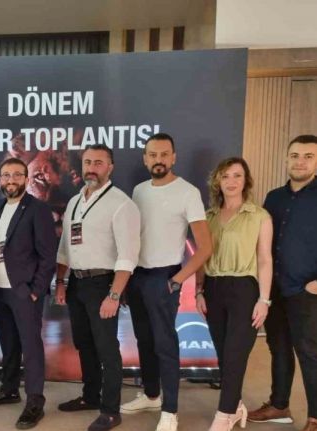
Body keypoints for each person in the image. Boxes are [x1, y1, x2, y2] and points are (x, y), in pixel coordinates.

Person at [118, 133, 213, 431]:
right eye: (152, 155)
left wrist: (177, 280)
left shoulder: (188, 192)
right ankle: (151, 395)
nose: (158, 160)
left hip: (165, 277)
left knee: (165, 345)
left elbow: (205, 247)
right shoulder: (138, 190)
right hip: (137, 276)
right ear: (145, 159)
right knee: (144, 340)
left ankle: (170, 410)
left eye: (164, 154)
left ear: (173, 157)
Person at [55, 144, 140, 431]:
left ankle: (111, 410)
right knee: (84, 344)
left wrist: (114, 295)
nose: (91, 167)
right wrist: (61, 282)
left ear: (110, 167)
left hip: (104, 283)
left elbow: (128, 256)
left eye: (98, 162)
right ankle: (90, 396)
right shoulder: (74, 201)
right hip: (77, 283)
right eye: (88, 162)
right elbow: (65, 247)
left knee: (107, 349)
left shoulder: (121, 204)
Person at [0, 157, 56, 430]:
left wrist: (36, 291)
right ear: (0, 179)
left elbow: (48, 255)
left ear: (25, 178)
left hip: (24, 292)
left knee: (31, 347)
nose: (11, 180)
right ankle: (9, 389)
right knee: (9, 344)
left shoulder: (38, 209)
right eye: (6, 175)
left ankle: (35, 402)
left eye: (16, 175)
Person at [194, 157, 272, 430]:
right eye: (225, 176)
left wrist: (264, 300)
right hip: (214, 289)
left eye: (237, 175)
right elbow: (201, 258)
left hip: (244, 289)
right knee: (224, 354)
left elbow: (264, 259)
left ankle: (225, 414)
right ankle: (236, 405)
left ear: (246, 180)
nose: (231, 181)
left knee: (235, 354)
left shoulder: (260, 216)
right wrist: (199, 291)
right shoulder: (208, 217)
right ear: (217, 181)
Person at [248, 134, 317, 431]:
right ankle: (279, 405)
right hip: (274, 289)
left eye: (308, 156)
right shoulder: (274, 197)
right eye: (295, 155)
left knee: (310, 353)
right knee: (278, 347)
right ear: (286, 159)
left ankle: (315, 417)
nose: (300, 162)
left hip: (307, 291)